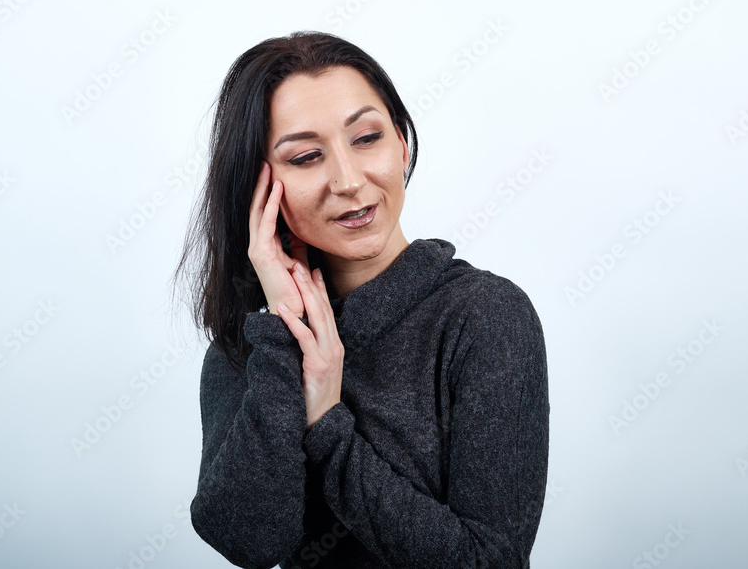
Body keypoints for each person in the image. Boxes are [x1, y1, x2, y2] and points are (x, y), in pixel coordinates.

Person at [174, 31, 549, 568]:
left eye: (367, 137)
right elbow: (248, 542)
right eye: (306, 156)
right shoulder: (251, 350)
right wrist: (285, 337)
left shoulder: (484, 316)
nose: (348, 181)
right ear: (258, 186)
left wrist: (325, 422)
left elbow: (489, 562)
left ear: (402, 144)